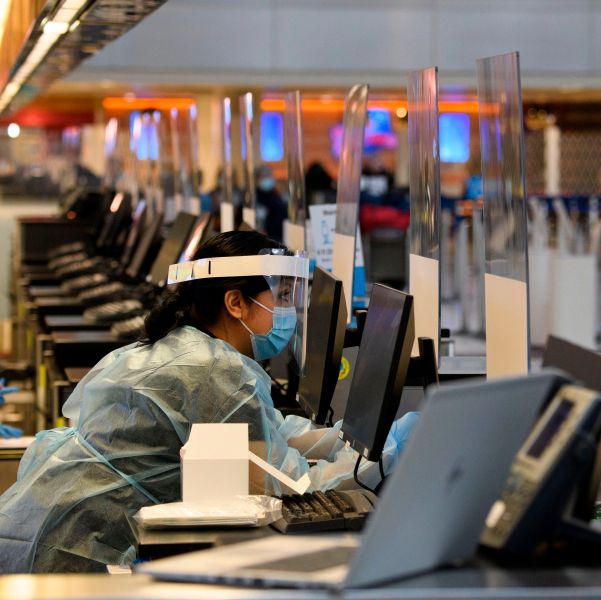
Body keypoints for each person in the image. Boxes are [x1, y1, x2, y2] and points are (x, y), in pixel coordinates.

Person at [0, 231, 417, 573]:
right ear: (235, 302)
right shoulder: (218, 375)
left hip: (57, 519)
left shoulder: (194, 349)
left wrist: (335, 440)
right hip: (73, 549)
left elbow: (265, 429)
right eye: (282, 296)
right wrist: (381, 463)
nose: (291, 310)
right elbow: (292, 487)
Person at [254, 165, 288, 243]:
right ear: (257, 179)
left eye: (269, 175)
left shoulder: (275, 195)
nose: (267, 178)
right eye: (264, 176)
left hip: (280, 237)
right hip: (266, 240)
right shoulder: (256, 197)